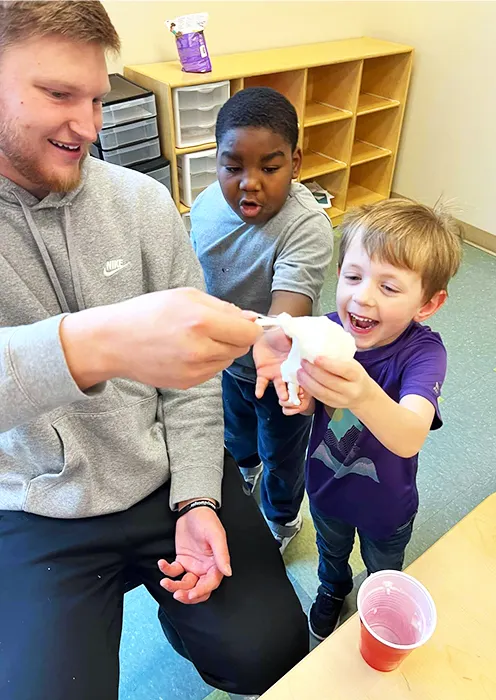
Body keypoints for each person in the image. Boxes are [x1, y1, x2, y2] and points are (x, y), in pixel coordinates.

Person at [0, 4, 307, 696]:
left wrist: (199, 497)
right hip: (32, 506)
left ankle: (180, 607)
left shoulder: (142, 205)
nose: (89, 126)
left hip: (164, 475)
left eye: (97, 98)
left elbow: (193, 387)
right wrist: (96, 345)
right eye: (57, 94)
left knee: (270, 652)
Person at [279, 200, 463, 641]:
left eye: (389, 287)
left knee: (383, 565)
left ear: (428, 303)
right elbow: (310, 407)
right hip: (324, 484)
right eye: (353, 276)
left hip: (387, 503)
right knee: (331, 550)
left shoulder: (423, 354)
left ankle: (377, 601)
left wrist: (361, 392)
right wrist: (298, 395)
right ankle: (333, 587)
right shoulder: (326, 331)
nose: (362, 297)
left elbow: (409, 435)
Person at [190, 86, 332, 552]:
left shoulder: (306, 226)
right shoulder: (209, 203)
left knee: (282, 454)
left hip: (282, 372)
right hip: (227, 362)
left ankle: (283, 520)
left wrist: (270, 340)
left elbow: (290, 303)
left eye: (270, 168)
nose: (249, 182)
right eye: (233, 168)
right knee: (237, 434)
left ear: (296, 161)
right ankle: (245, 472)